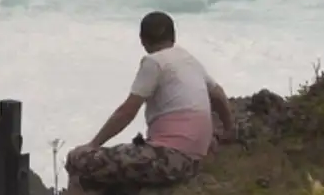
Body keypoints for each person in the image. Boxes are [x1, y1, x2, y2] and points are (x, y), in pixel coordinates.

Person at [64, 11, 236, 194]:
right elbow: (218, 95)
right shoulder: (188, 59)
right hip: (194, 160)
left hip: (169, 159)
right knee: (113, 172)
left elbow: (127, 112)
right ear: (174, 36)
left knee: (78, 159)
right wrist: (228, 129)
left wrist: (93, 145)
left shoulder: (154, 62)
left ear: (142, 40)